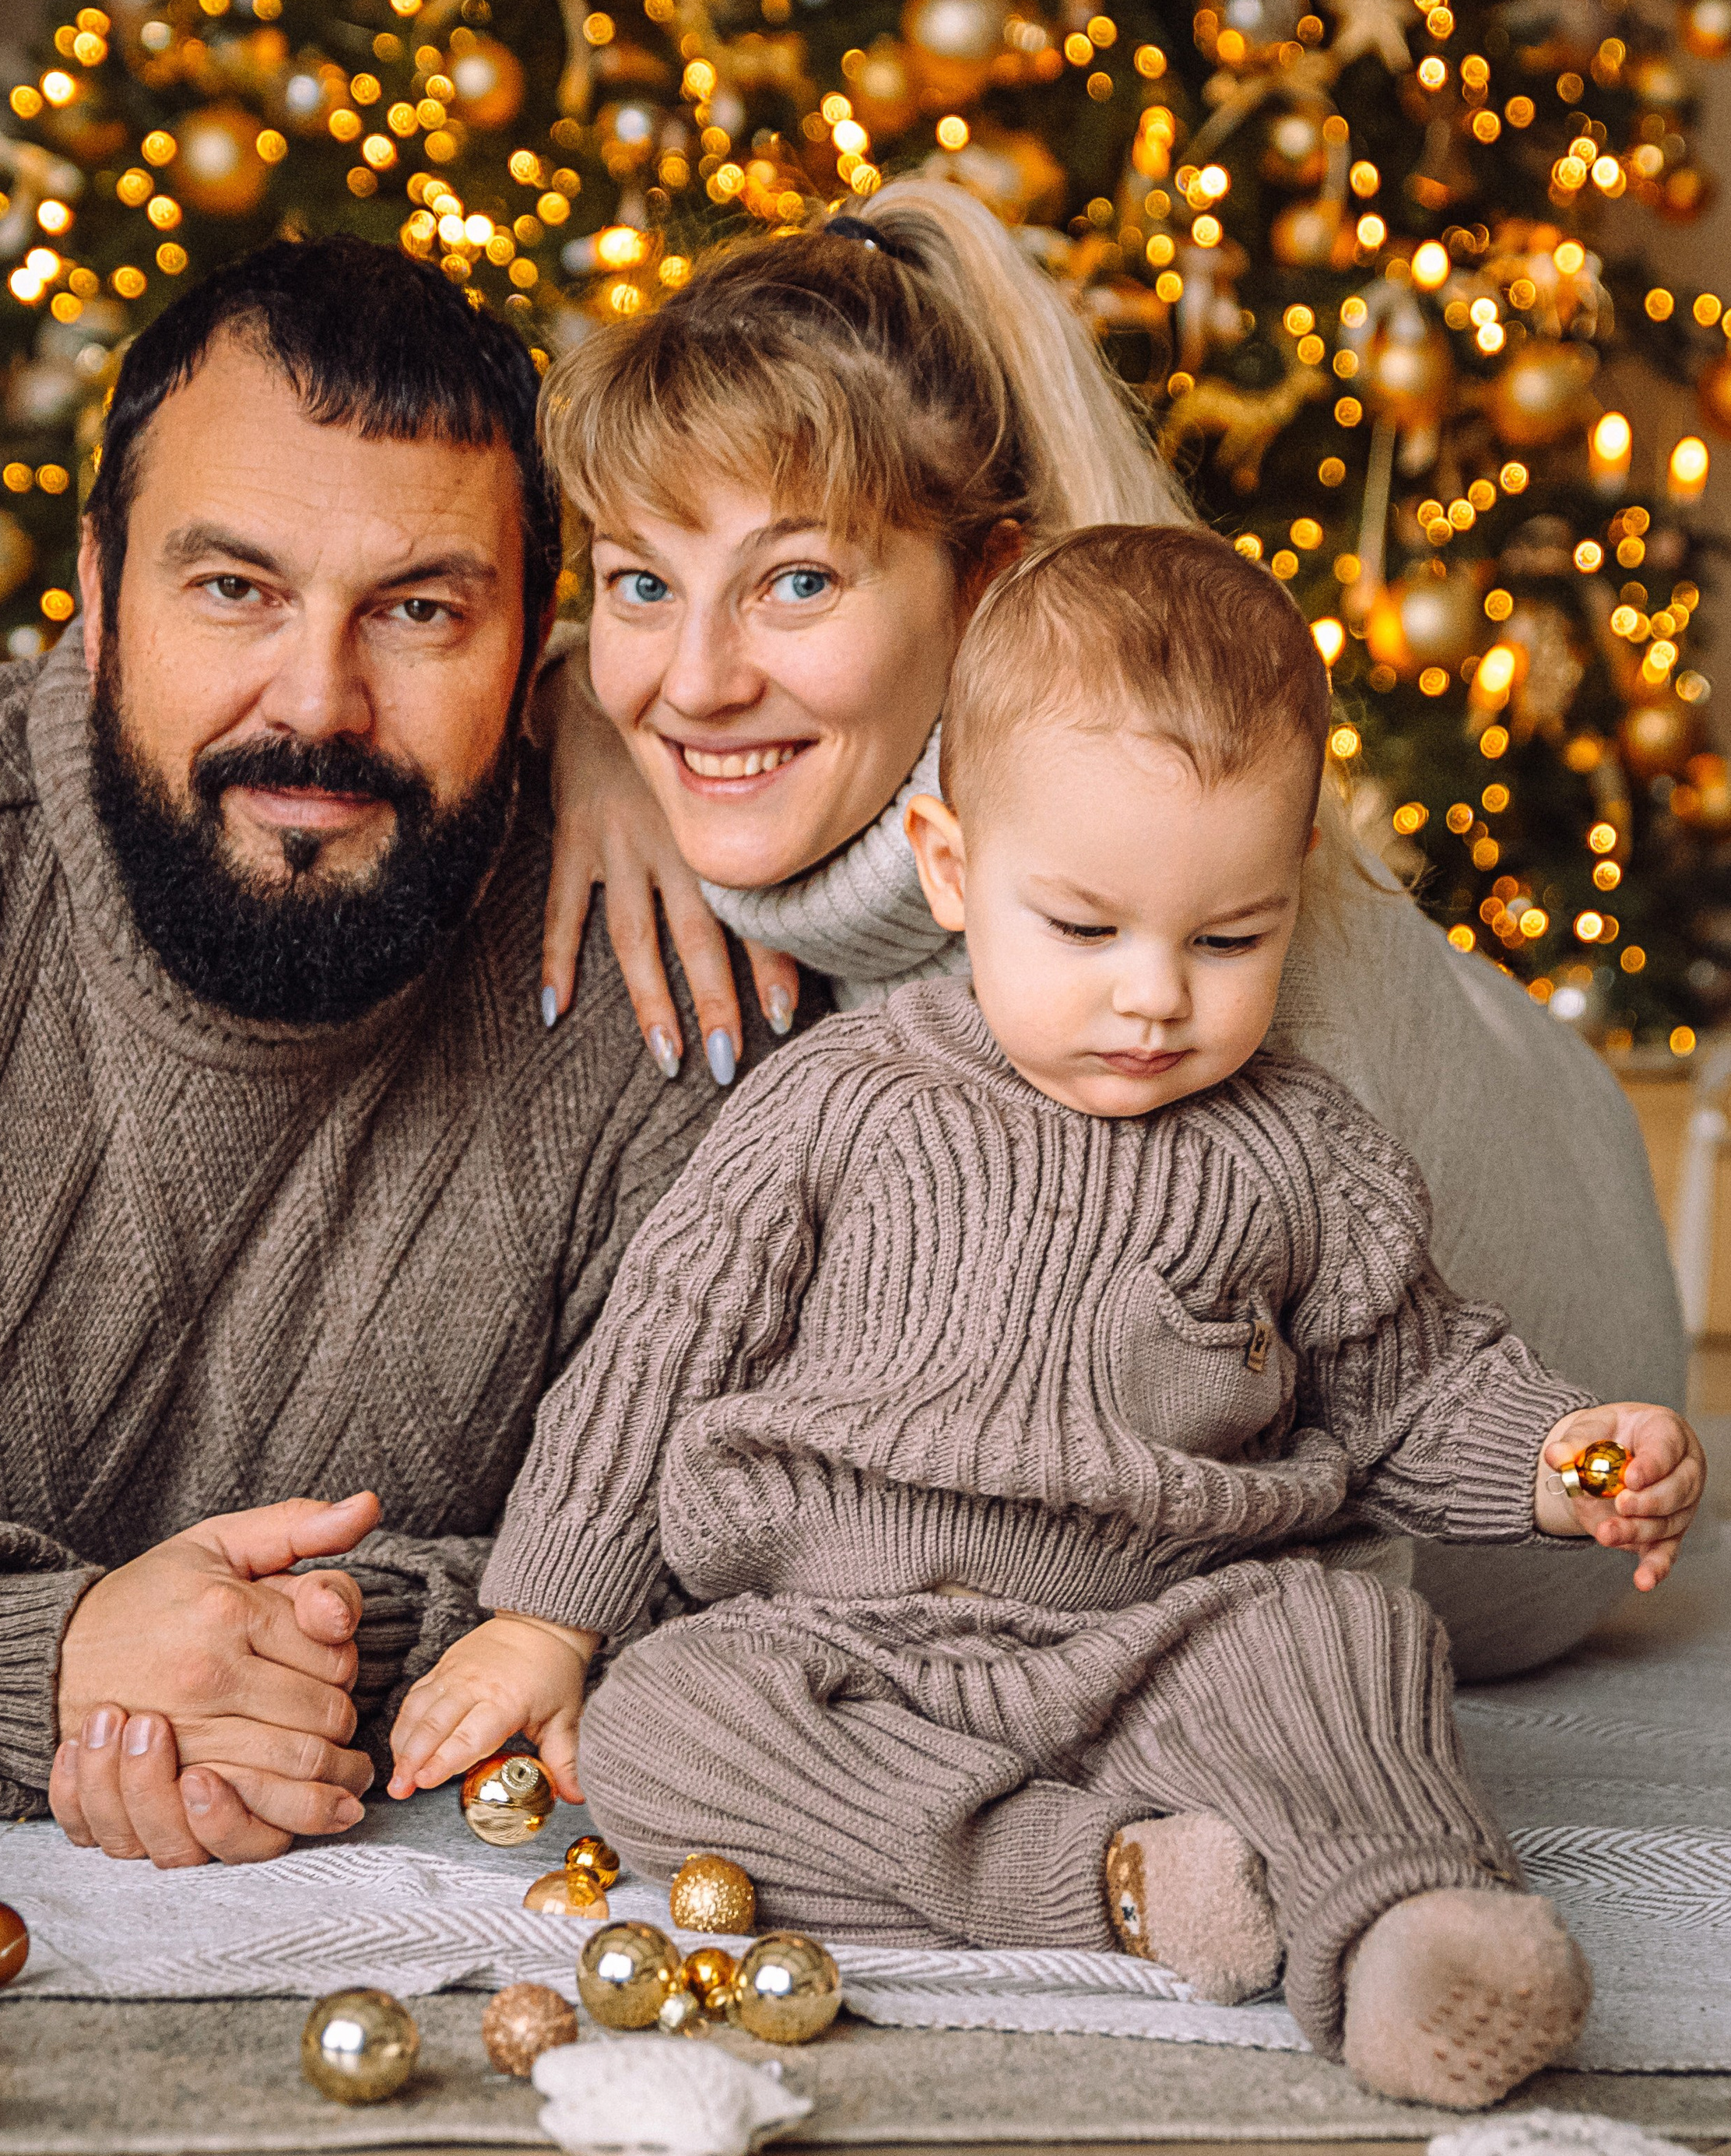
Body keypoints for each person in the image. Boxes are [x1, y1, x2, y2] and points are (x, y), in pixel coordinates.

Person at [394, 528, 1706, 2111]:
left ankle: (1410, 1925)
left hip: (1164, 1632)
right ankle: (1101, 1880)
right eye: (1083, 929)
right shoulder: (837, 1103)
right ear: (952, 868)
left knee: (1344, 1640)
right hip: (847, 1637)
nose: (1154, 996)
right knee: (667, 1728)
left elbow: (1405, 1380)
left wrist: (1556, 1454)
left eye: (1226, 939)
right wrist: (545, 1610)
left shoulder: (1295, 1149)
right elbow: (660, 1351)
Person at [530, 181, 1687, 1680]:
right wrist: (575, 710)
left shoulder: (1188, 959)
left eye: (796, 581)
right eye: (639, 585)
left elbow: (1342, 1487)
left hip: (1513, 1535)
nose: (689, 682)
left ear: (990, 577)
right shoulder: (710, 762)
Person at [0, 234, 760, 1866]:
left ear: (535, 640)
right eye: (234, 588)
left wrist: (278, 1666)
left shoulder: (670, 984)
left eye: (420, 608)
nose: (320, 698)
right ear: (96, 590)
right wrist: (49, 1662)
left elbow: (737, 1572)